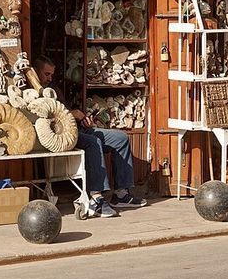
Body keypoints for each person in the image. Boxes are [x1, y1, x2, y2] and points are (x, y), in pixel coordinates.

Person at [33, 55, 146, 218]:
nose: (50, 78)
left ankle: (121, 194)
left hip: (76, 128)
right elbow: (49, 116)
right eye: (46, 74)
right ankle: (96, 198)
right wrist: (72, 114)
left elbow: (64, 110)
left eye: (51, 74)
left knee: (120, 138)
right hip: (61, 134)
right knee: (93, 142)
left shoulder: (52, 87)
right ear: (36, 71)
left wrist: (81, 119)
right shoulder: (33, 92)